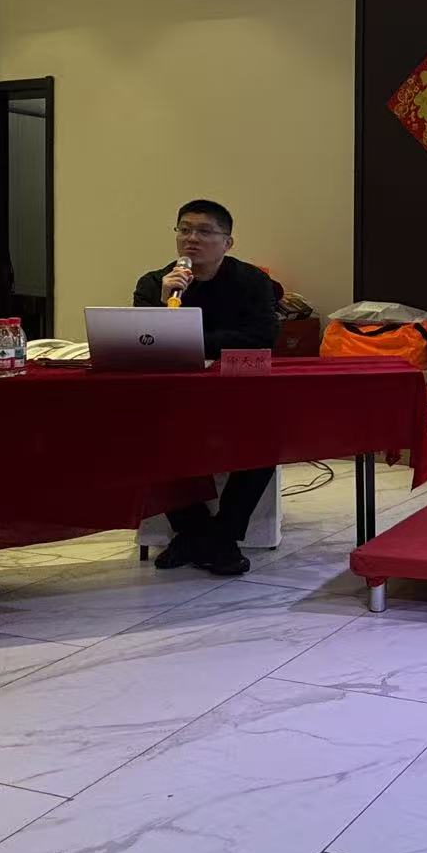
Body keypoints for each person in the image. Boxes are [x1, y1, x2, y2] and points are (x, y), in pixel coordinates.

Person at [133, 199, 278, 576]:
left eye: (204, 231)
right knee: (144, 435)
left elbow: (261, 338)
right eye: (184, 230)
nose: (191, 239)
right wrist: (165, 306)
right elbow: (144, 343)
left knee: (266, 440)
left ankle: (224, 534)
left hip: (236, 394)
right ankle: (195, 531)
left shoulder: (252, 282)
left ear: (227, 242)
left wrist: (188, 339)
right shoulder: (154, 284)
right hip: (174, 396)